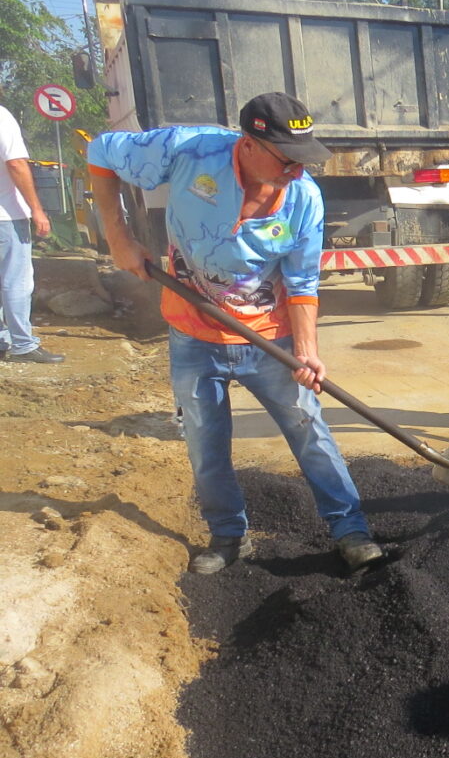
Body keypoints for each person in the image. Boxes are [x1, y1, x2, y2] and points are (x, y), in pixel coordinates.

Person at [87, 92, 385, 574]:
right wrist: (118, 238)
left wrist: (307, 353)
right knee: (206, 443)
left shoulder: (305, 198)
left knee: (309, 430)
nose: (297, 172)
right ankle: (228, 537)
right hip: (193, 332)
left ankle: (350, 530)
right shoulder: (187, 151)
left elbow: (302, 283)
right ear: (249, 144)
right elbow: (100, 153)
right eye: (288, 160)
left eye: (303, 160)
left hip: (271, 339)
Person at [0, 95, 64, 364]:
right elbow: (15, 163)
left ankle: (3, 339)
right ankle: (23, 345)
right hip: (5, 216)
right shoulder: (2, 116)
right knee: (16, 280)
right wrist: (36, 209)